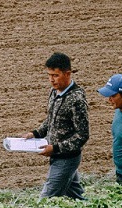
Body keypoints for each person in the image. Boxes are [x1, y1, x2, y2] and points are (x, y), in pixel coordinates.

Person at [20, 52, 90, 200]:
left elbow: (82, 135)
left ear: (67, 74)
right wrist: (36, 133)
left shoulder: (76, 99)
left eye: (55, 75)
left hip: (66, 158)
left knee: (45, 199)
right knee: (76, 197)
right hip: (57, 155)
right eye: (49, 75)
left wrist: (56, 148)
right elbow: (51, 119)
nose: (52, 80)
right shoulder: (54, 92)